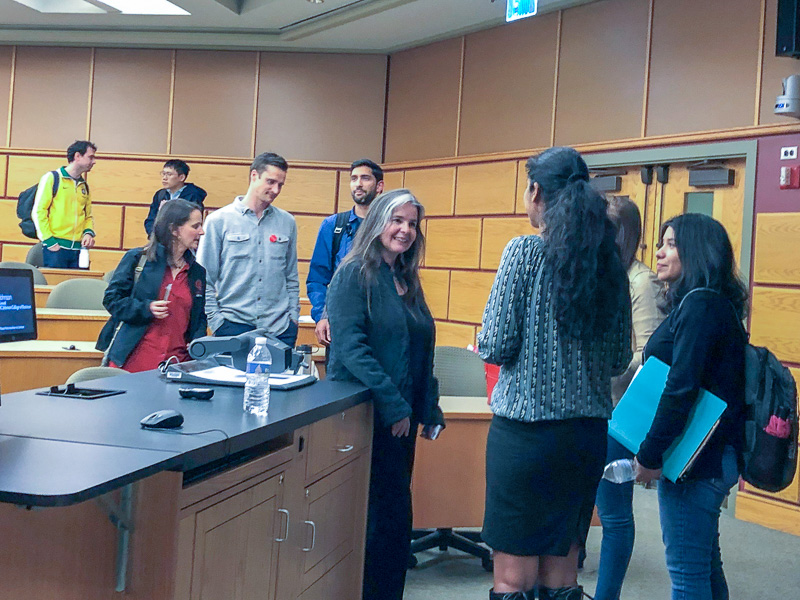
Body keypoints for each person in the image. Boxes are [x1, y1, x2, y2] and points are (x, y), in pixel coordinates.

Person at [478, 147, 632, 600]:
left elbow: (494, 344)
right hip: (584, 438)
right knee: (562, 576)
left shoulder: (525, 252)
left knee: (512, 579)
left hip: (525, 439)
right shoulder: (611, 266)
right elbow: (619, 358)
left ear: (536, 192)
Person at [326, 189, 445, 600]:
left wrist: (429, 406)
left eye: (412, 223)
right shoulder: (354, 273)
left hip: (402, 419)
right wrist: (394, 404)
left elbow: (421, 347)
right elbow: (351, 347)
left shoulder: (405, 279)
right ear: (378, 221)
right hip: (365, 416)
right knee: (373, 521)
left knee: (395, 518)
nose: (405, 230)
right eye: (397, 220)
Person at [634, 213, 748, 600]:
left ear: (696, 253)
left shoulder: (700, 307)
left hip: (695, 463)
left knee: (687, 576)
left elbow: (680, 389)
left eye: (670, 244)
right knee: (704, 567)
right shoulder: (711, 305)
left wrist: (650, 453)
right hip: (712, 459)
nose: (660, 254)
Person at [593, 197, 667, 600]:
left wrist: (599, 365)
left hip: (619, 415)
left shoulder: (641, 281)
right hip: (587, 409)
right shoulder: (601, 274)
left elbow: (649, 356)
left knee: (614, 516)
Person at [197, 152, 299, 347]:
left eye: (280, 185)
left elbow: (291, 277)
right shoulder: (218, 221)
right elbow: (203, 279)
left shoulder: (287, 222)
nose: (276, 189)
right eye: (270, 182)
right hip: (233, 326)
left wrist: (293, 319)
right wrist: (217, 322)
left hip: (279, 329)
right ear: (254, 176)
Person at [97, 199, 207, 372]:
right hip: (133, 362)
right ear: (174, 229)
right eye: (195, 226)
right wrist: (146, 308)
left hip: (177, 365)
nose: (202, 232)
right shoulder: (137, 259)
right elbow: (112, 300)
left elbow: (199, 317)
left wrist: (197, 343)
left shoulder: (197, 272)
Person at [307, 158, 384, 347]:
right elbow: (317, 278)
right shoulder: (333, 226)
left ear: (379, 186)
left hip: (382, 323)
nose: (358, 184)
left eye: (365, 178)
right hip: (340, 324)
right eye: (354, 178)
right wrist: (321, 316)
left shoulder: (390, 226)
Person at [32, 140, 97, 269]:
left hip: (79, 250)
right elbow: (39, 211)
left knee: (78, 287)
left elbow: (88, 216)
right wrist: (48, 240)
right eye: (91, 157)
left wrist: (88, 233)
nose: (94, 161)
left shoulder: (84, 186)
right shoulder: (52, 178)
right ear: (77, 156)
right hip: (56, 247)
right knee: (55, 287)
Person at [144, 159, 207, 236]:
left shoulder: (193, 196)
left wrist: (165, 211)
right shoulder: (160, 194)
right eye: (163, 174)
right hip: (160, 239)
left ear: (181, 177)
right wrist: (155, 235)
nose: (164, 178)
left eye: (169, 174)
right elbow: (150, 220)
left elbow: (189, 222)